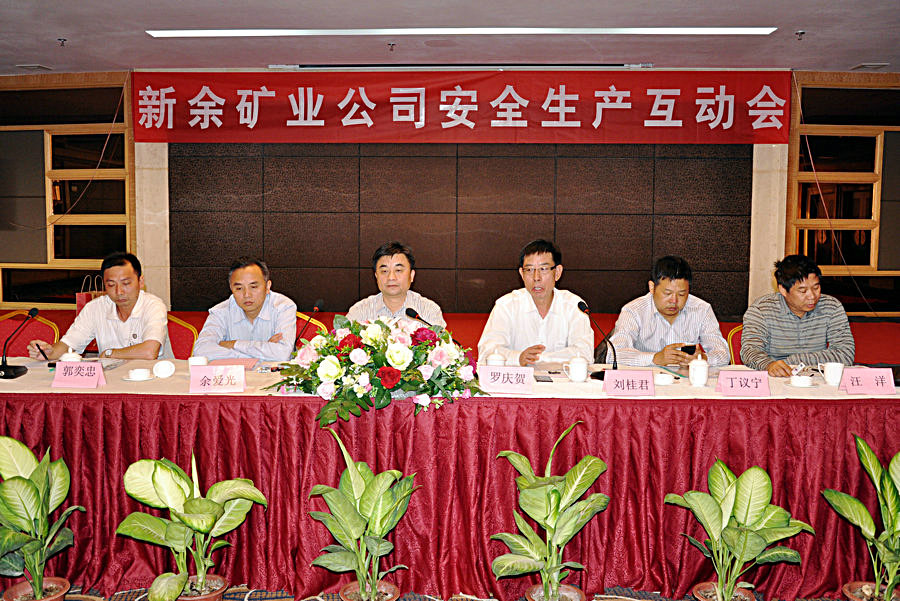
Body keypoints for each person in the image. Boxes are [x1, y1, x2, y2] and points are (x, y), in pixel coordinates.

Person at [27, 252, 173, 360]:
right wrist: (48, 352)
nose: (119, 291)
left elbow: (149, 352)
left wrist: (109, 353)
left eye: (126, 283)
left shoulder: (153, 306)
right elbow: (68, 345)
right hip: (110, 381)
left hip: (151, 380)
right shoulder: (95, 308)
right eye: (111, 285)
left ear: (140, 282)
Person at [478, 239, 592, 366]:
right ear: (521, 274)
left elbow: (585, 354)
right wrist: (518, 358)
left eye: (543, 269)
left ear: (557, 272)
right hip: (518, 378)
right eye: (529, 270)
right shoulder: (506, 306)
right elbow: (486, 352)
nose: (536, 277)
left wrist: (539, 359)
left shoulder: (574, 306)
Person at [741, 254, 855, 376]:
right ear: (783, 289)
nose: (812, 296)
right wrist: (769, 365)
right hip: (776, 377)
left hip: (816, 378)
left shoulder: (831, 307)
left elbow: (845, 354)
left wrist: (792, 362)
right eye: (802, 291)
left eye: (816, 288)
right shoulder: (761, 310)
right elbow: (750, 351)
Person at [607, 256, 729, 367]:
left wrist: (703, 359)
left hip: (687, 381)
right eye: (667, 293)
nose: (674, 301)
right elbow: (613, 355)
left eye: (681, 294)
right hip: (647, 380)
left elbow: (723, 354)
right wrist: (654, 358)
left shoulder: (702, 309)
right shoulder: (634, 311)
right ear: (652, 287)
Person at [193, 257, 296, 361]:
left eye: (253, 287)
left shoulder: (283, 307)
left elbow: (283, 354)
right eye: (239, 288)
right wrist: (264, 352)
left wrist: (234, 344)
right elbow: (201, 351)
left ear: (268, 286)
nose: (247, 295)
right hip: (234, 372)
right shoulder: (221, 312)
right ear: (231, 288)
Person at [347, 241, 445, 327]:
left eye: (398, 270)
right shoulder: (359, 311)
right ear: (376, 276)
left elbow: (441, 341)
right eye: (384, 271)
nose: (391, 277)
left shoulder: (429, 310)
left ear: (411, 275)